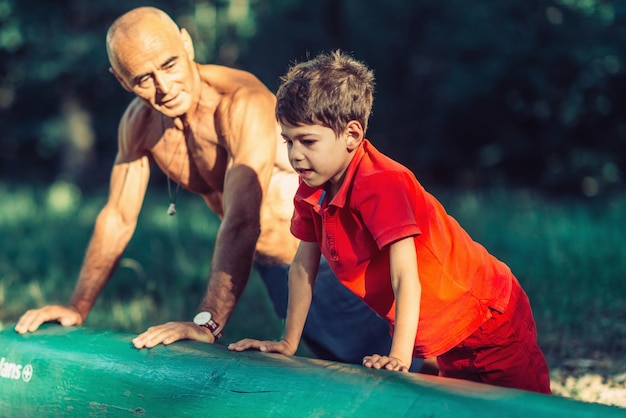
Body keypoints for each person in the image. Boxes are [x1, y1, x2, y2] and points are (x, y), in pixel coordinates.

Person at [13, 7, 421, 370]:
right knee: (343, 379)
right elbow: (117, 217)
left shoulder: (239, 103)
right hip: (281, 272)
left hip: (341, 266)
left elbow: (243, 218)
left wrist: (207, 322)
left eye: (170, 64)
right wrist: (76, 306)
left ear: (187, 44)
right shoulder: (138, 125)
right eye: (142, 78)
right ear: (120, 80)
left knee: (414, 376)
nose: (164, 87)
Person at [228, 50, 552, 394]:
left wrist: (397, 356)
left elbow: (404, 275)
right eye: (288, 141)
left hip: (487, 318)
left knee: (527, 406)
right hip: (446, 335)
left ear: (352, 135)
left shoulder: (382, 183)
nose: (294, 154)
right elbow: (302, 268)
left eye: (307, 141)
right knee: (463, 406)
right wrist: (288, 342)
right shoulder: (312, 191)